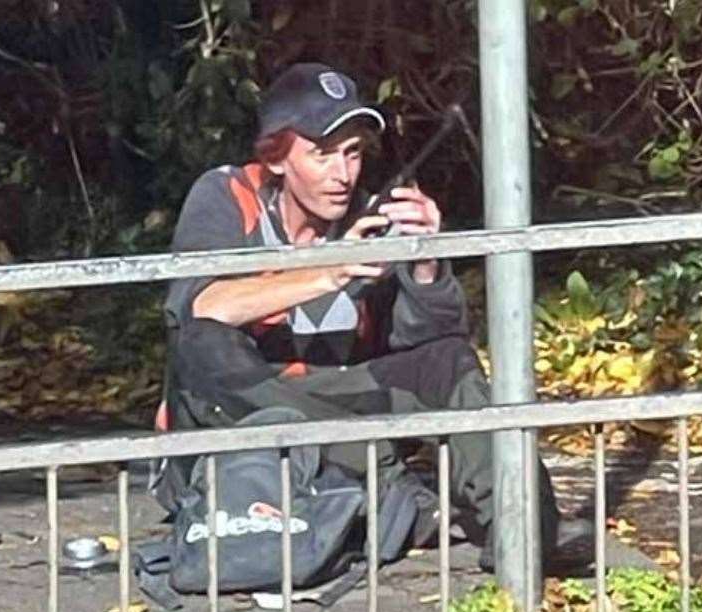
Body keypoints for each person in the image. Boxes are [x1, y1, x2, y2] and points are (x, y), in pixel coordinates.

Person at [156, 62, 572, 571]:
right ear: (277, 156)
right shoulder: (226, 196)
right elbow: (202, 307)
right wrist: (325, 272)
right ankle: (389, 483)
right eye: (322, 155)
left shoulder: (367, 216)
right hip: (244, 414)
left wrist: (425, 260)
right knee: (202, 345)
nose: (343, 175)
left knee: (447, 360)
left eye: (352, 154)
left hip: (336, 405)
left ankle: (524, 529)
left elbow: (430, 338)